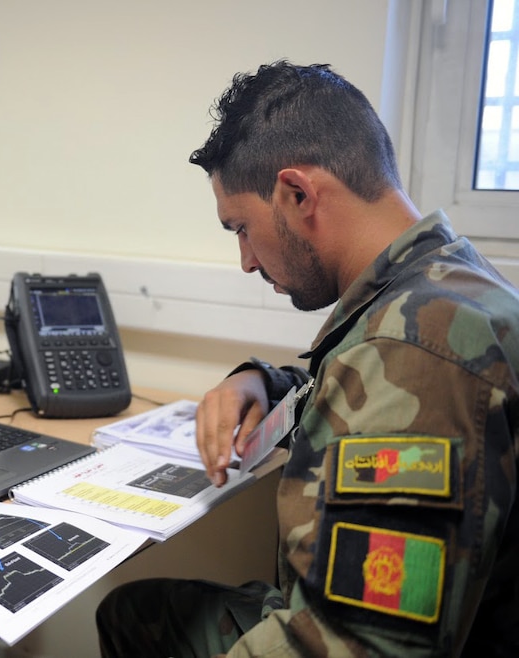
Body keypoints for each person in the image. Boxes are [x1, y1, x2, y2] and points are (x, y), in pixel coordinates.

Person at [96, 60, 519, 657]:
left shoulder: (409, 350)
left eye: (240, 227)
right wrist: (261, 383)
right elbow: (366, 397)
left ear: (297, 194)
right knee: (140, 612)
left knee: (138, 621)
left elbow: (364, 648)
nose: (245, 259)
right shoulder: (443, 284)